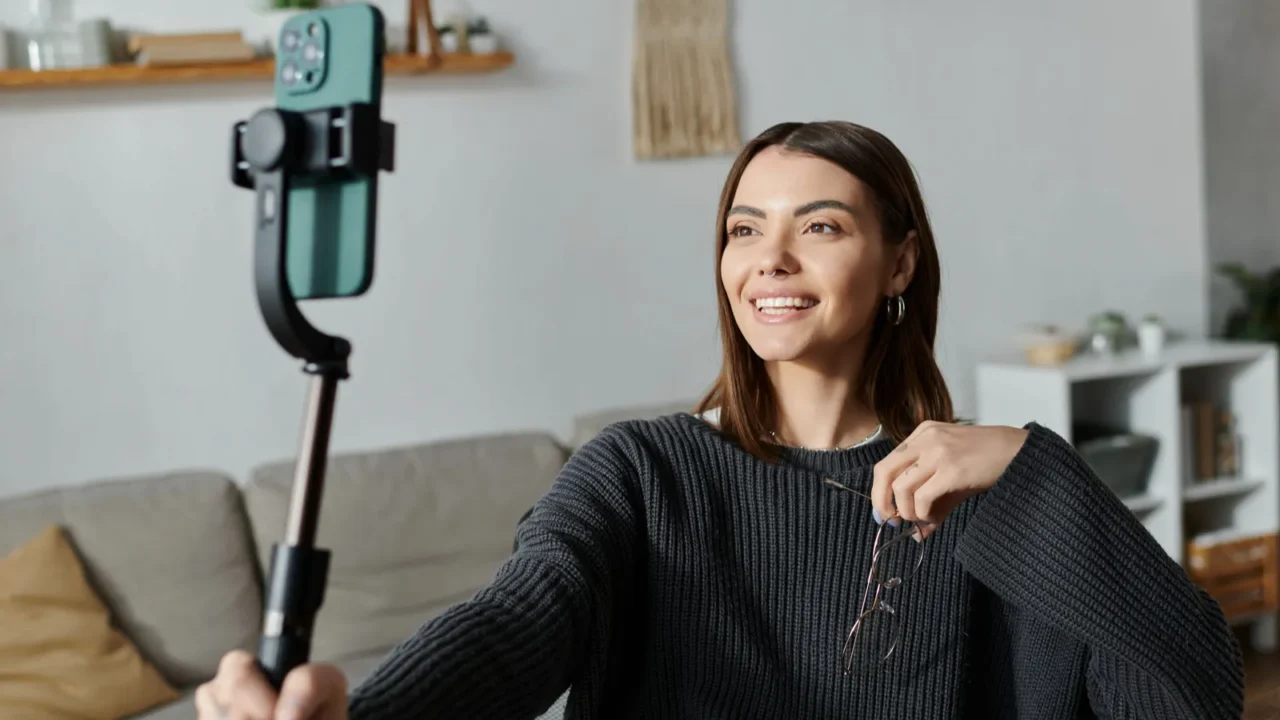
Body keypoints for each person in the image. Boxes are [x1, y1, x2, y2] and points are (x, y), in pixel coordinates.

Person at [197, 121, 1245, 719]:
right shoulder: (643, 473)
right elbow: (521, 617)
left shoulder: (985, 493)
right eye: (743, 230)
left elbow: (1190, 691)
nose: (767, 262)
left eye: (818, 225)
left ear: (899, 263)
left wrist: (1039, 476)